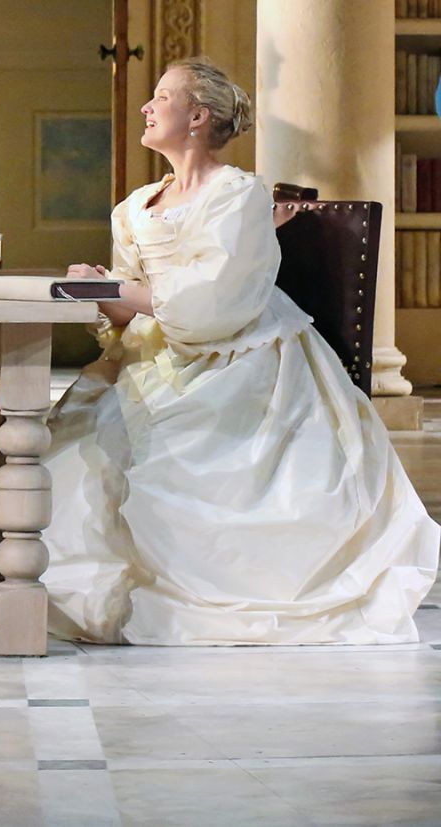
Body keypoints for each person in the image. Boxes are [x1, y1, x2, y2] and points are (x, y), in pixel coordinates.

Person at [42, 58, 440, 645]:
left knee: (165, 459)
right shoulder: (134, 207)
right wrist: (100, 290)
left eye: (161, 97)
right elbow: (129, 310)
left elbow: (218, 303)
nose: (146, 108)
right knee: (73, 447)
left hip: (238, 357)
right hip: (155, 357)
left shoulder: (238, 194)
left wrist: (120, 289)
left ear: (198, 116)